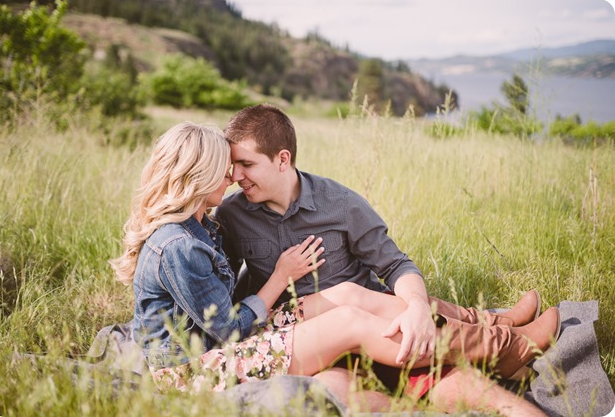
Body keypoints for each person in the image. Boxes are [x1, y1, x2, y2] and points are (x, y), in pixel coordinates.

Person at [110, 122, 559, 416]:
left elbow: (394, 262)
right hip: (202, 365)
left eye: (241, 166)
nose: (232, 179)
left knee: (349, 294)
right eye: (226, 170)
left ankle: (497, 329)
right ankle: (507, 348)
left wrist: (418, 305)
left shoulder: (205, 223)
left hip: (231, 337)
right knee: (348, 319)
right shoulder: (195, 234)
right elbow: (225, 326)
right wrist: (281, 279)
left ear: (282, 159)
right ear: (197, 176)